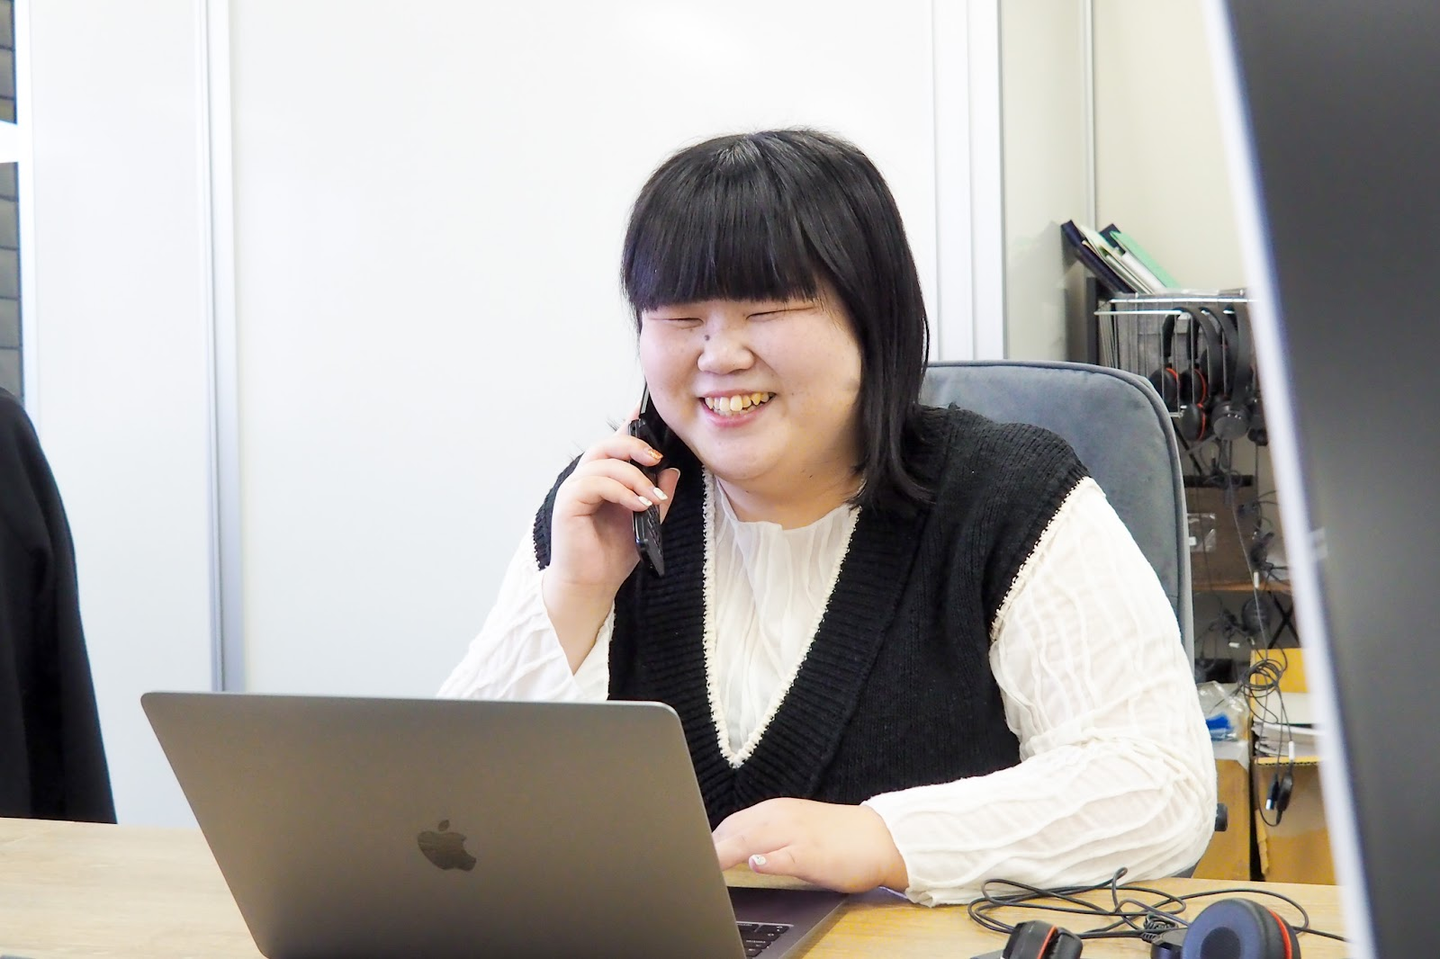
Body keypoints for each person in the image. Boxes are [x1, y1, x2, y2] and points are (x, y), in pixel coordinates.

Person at [440, 128, 1215, 905]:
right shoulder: (605, 507)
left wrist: (888, 838)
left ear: (872, 318)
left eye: (766, 308)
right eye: (679, 315)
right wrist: (573, 598)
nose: (719, 355)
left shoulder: (1009, 496)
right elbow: (443, 822)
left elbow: (1158, 786)